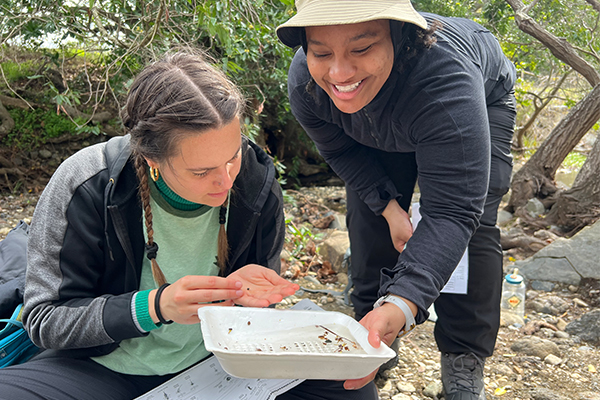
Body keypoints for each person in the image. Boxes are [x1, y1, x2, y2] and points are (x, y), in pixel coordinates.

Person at [0, 51, 378, 400]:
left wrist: (244, 296)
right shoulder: (88, 182)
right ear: (150, 157)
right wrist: (154, 307)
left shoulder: (255, 179)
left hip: (219, 360)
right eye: (201, 171)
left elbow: (252, 319)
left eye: (232, 158)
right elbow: (46, 320)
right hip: (99, 368)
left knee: (352, 390)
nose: (226, 181)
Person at [276, 1, 517, 399]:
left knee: (472, 232)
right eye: (321, 52)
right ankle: (374, 329)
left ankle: (462, 356)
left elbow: (454, 210)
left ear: (397, 34)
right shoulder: (308, 81)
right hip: (376, 116)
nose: (338, 72)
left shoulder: (446, 82)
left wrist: (407, 300)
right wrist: (389, 209)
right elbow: (341, 151)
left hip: (474, 104)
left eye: (361, 48)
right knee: (370, 218)